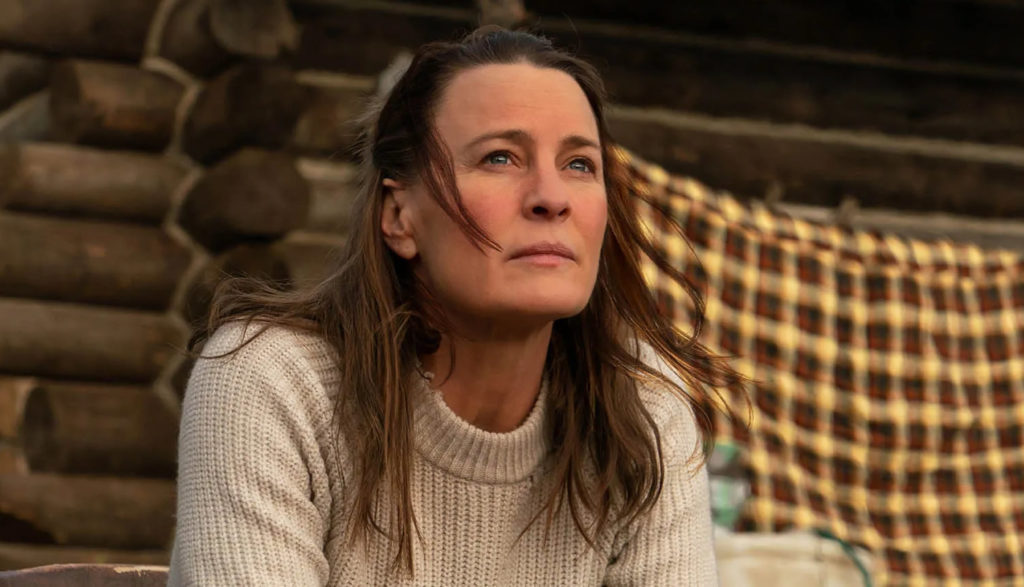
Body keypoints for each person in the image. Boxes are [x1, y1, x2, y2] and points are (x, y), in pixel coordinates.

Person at [168, 26, 743, 586]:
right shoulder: (273, 384)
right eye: (499, 158)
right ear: (399, 216)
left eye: (579, 165)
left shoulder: (644, 412)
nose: (551, 197)